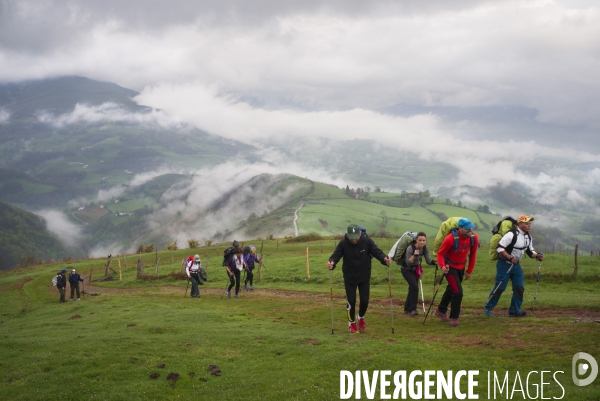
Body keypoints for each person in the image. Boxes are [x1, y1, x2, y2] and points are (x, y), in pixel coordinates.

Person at [327, 224, 392, 334]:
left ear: (360, 234)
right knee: (351, 301)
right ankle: (351, 323)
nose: (354, 240)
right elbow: (336, 256)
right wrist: (331, 263)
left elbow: (377, 252)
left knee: (365, 301)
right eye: (352, 238)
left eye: (356, 237)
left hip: (364, 276)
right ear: (348, 235)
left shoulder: (367, 241)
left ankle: (360, 317)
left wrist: (385, 259)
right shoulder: (343, 243)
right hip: (349, 276)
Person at [484, 215, 544, 317]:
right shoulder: (511, 234)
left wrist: (537, 256)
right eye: (526, 223)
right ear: (519, 224)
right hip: (504, 264)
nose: (529, 225)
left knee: (519, 288)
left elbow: (530, 251)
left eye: (529, 223)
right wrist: (510, 257)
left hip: (516, 266)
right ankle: (488, 307)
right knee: (500, 287)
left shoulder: (528, 237)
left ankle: (514, 310)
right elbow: (500, 248)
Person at [434, 218, 479, 327]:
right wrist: (442, 266)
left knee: (452, 289)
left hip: (461, 267)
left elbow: (472, 254)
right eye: (467, 228)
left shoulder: (474, 237)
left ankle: (440, 310)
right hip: (450, 268)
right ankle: (454, 317)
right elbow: (440, 254)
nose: (470, 230)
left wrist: (469, 270)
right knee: (458, 292)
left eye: (471, 227)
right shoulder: (450, 239)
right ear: (460, 228)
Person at [400, 232, 437, 316]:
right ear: (416, 240)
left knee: (412, 288)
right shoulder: (410, 248)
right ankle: (413, 309)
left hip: (415, 270)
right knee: (414, 287)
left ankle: (407, 308)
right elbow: (408, 263)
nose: (422, 242)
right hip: (406, 269)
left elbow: (428, 261)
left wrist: (434, 262)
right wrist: (414, 255)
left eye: (424, 240)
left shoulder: (424, 248)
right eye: (420, 240)